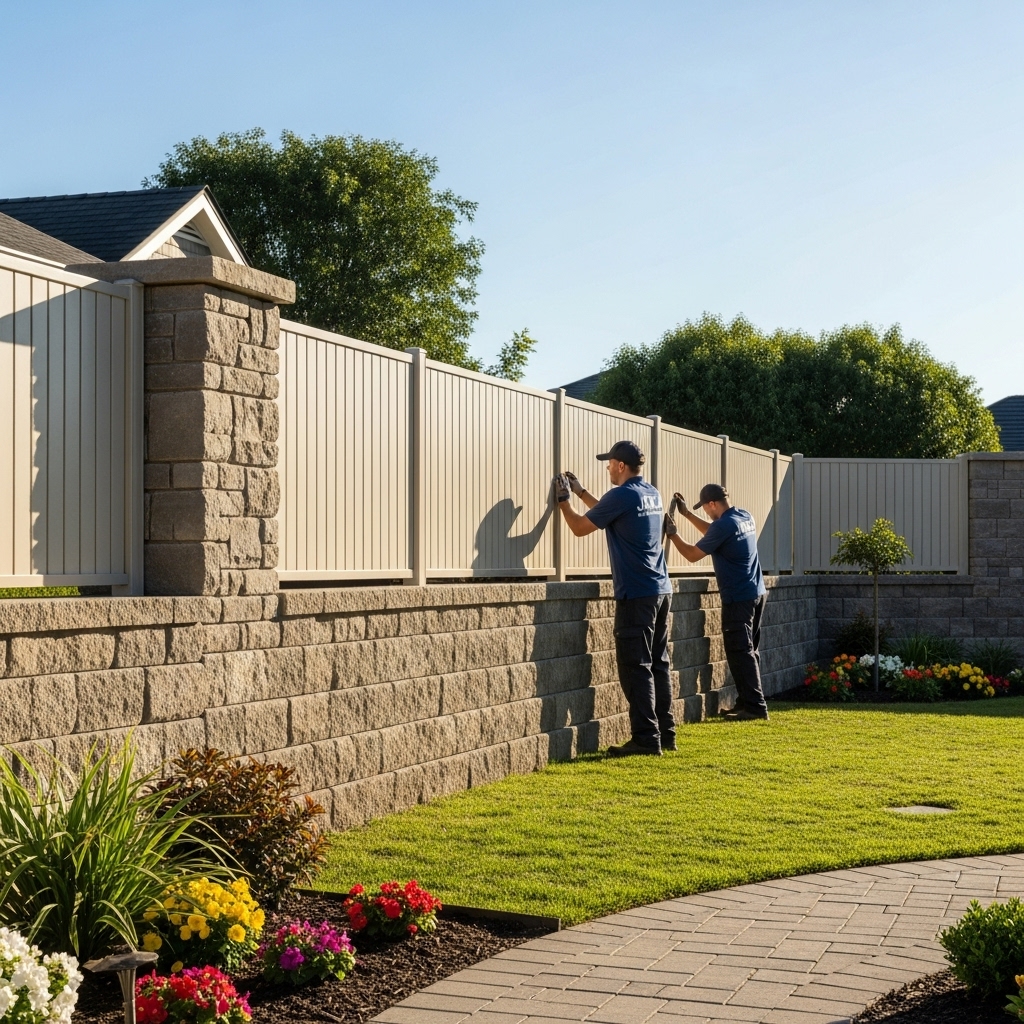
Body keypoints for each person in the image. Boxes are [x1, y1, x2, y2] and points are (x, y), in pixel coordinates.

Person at [553, 440, 674, 756]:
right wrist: (580, 492)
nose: (607, 466)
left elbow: (581, 527)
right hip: (661, 590)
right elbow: (610, 511)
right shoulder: (650, 493)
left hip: (636, 594)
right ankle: (666, 734)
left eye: (609, 462)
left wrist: (564, 501)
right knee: (658, 664)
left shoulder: (621, 494)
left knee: (636, 667)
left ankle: (647, 740)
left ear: (621, 466)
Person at [664, 483, 769, 721]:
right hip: (756, 593)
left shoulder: (723, 525)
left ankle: (755, 707)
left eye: (704, 508)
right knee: (750, 650)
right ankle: (746, 702)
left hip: (738, 597)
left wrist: (673, 535)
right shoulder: (743, 516)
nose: (705, 512)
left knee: (740, 651)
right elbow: (715, 531)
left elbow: (692, 554)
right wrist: (688, 515)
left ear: (712, 504)